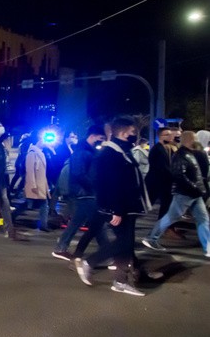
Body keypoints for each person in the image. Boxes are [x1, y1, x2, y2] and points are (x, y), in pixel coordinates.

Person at [75, 117, 153, 296]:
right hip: (121, 207)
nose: (135, 135)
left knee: (125, 244)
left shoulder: (122, 150)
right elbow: (111, 184)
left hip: (127, 206)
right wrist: (115, 210)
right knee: (124, 243)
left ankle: (121, 279)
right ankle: (91, 263)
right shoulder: (111, 154)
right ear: (124, 132)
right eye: (133, 132)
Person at [142, 131, 210, 255]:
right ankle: (151, 238)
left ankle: (208, 247)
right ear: (189, 140)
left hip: (194, 193)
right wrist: (195, 187)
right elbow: (179, 175)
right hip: (185, 193)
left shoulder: (189, 153)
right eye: (194, 138)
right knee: (171, 216)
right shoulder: (181, 154)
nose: (196, 140)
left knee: (203, 219)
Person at [52, 125, 108, 260]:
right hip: (84, 192)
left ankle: (61, 247)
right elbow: (79, 173)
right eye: (100, 138)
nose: (101, 141)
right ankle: (108, 254)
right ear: (92, 136)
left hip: (85, 192)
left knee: (77, 221)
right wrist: (93, 186)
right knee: (98, 224)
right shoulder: (82, 151)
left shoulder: (88, 150)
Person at [15, 130, 51, 232]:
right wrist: (33, 186)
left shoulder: (41, 153)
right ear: (38, 141)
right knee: (28, 204)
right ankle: (12, 216)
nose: (45, 143)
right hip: (35, 185)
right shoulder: (32, 153)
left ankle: (44, 225)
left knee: (42, 205)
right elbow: (30, 171)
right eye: (43, 140)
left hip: (41, 184)